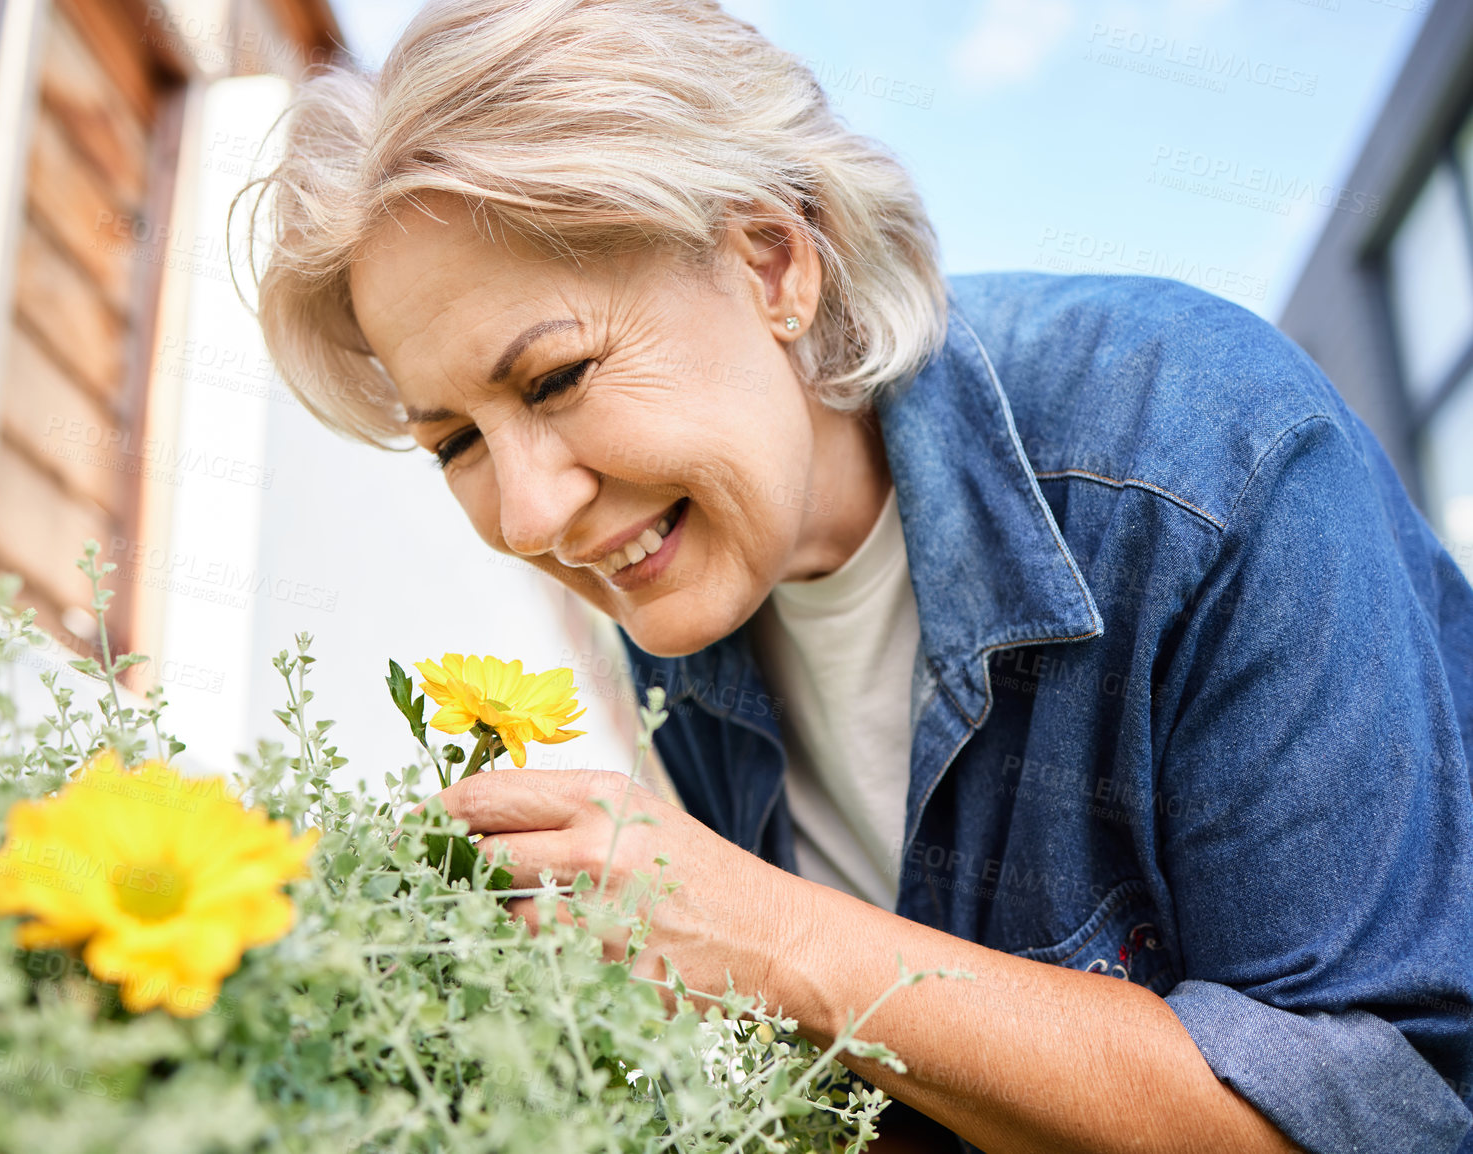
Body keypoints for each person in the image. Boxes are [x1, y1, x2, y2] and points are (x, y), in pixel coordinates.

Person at [242, 1, 1473, 1150]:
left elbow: (1389, 1103)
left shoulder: (1206, 458)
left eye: (557, 377)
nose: (529, 513)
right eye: (454, 439)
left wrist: (766, 933)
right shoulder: (683, 565)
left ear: (776, 263)